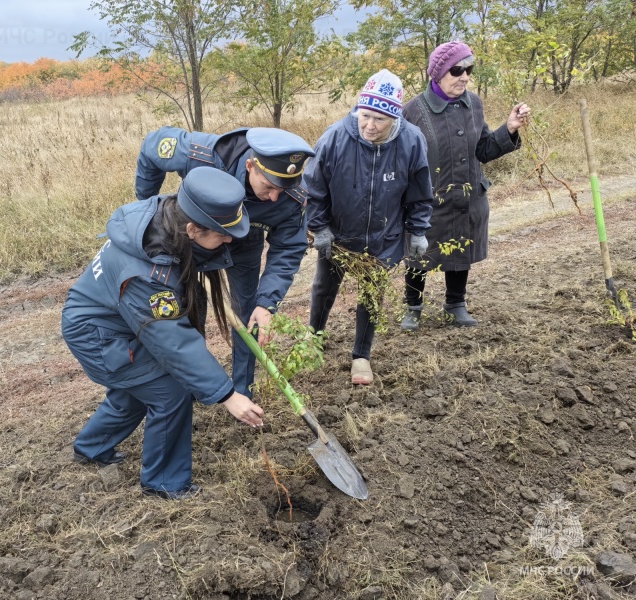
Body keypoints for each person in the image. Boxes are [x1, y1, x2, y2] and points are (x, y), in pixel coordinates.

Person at [62, 167, 264, 501]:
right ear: (192, 229)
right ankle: (165, 483)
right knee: (170, 392)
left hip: (111, 322)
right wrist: (228, 395)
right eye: (221, 233)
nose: (229, 239)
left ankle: (91, 447)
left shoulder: (166, 216)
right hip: (98, 336)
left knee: (140, 389)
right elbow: (174, 344)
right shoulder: (146, 276)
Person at [135, 126, 315, 398]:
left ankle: (242, 393)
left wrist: (267, 303)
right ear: (251, 165)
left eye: (283, 189)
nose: (275, 197)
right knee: (186, 309)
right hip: (194, 240)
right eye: (269, 186)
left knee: (248, 315)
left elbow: (289, 247)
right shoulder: (204, 155)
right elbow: (153, 146)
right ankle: (193, 385)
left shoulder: (292, 195)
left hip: (244, 246)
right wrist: (147, 207)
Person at [304, 69, 434, 385]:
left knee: (371, 294)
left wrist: (417, 230)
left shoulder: (411, 141)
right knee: (324, 287)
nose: (369, 126)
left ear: (395, 119)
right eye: (364, 116)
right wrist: (319, 227)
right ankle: (314, 337)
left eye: (379, 120)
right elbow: (314, 186)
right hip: (338, 237)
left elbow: (419, 192)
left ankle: (361, 355)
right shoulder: (335, 138)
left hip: (382, 237)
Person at [400, 40, 531, 330]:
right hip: (428, 200)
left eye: (468, 69)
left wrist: (508, 128)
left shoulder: (474, 104)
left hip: (469, 194)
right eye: (456, 70)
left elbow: (483, 149)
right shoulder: (413, 111)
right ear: (436, 74)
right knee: (419, 254)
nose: (464, 76)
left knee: (460, 246)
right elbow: (401, 159)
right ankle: (413, 306)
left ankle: (455, 304)